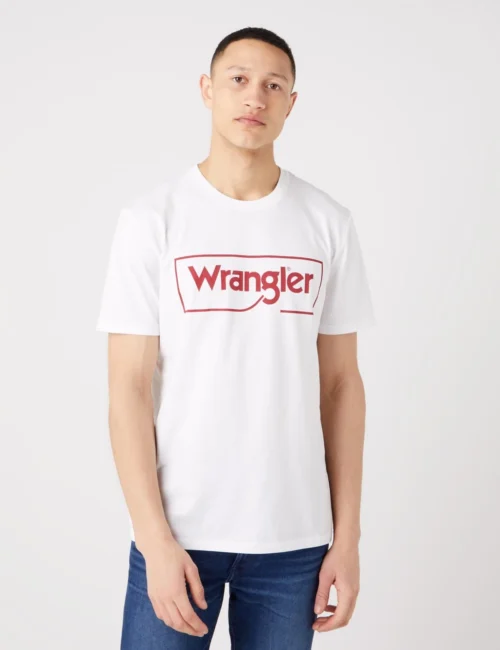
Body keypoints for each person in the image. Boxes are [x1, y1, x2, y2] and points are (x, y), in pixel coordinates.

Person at [96, 25, 376, 650]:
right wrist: (154, 539)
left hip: (294, 542)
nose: (255, 96)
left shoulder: (327, 222)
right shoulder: (151, 220)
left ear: (291, 103)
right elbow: (127, 390)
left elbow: (341, 385)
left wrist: (348, 538)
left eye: (274, 85)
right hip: (179, 534)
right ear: (207, 90)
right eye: (239, 80)